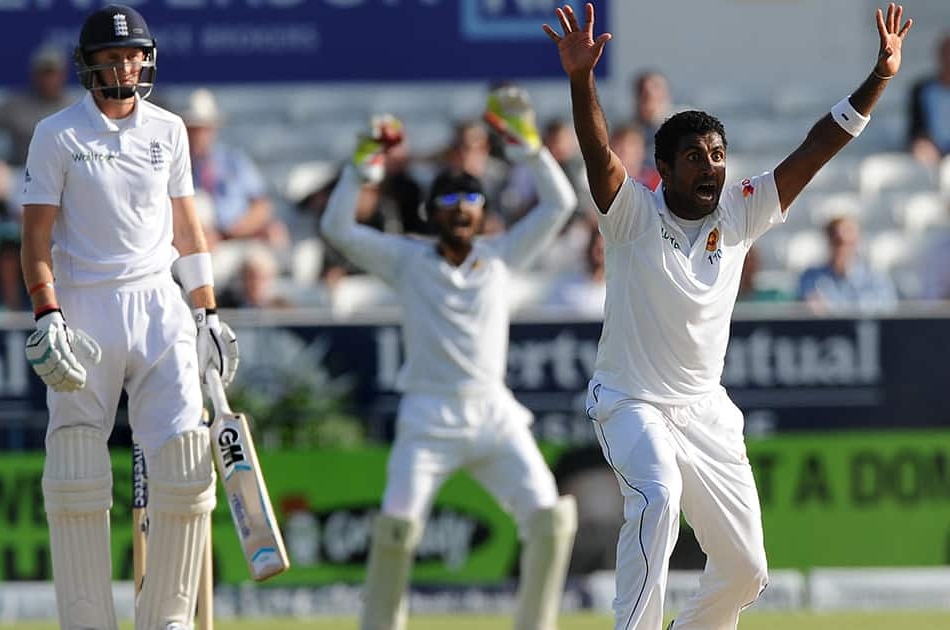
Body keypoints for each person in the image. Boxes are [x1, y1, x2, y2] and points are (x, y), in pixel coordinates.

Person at [544, 3, 913, 629]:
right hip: (631, 402)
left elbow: (817, 146)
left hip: (706, 410)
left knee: (745, 568)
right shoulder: (633, 215)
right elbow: (597, 150)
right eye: (695, 157)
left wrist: (880, 75)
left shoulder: (740, 213)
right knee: (657, 499)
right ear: (663, 169)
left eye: (717, 153)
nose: (711, 165)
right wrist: (581, 80)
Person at [321, 90, 579, 630]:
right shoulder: (408, 260)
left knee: (552, 522)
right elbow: (337, 229)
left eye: (470, 201)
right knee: (396, 532)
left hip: (493, 417)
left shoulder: (501, 256)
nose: (460, 209)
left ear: (483, 211)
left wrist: (530, 148)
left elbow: (561, 206)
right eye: (448, 202)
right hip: (428, 419)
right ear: (430, 213)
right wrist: (363, 163)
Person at [19, 6, 238, 629]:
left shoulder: (168, 130)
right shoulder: (57, 134)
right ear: (89, 64)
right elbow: (34, 238)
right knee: (76, 467)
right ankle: (87, 621)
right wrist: (48, 314)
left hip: (159, 304)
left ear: (146, 59)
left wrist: (208, 314)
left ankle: (166, 618)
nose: (124, 66)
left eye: (133, 55)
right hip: (85, 305)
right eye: (112, 57)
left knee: (187, 459)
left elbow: (188, 229)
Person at [182, 88, 288, 248]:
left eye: (203, 128)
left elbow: (262, 205)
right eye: (194, 129)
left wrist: (234, 231)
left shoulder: (234, 161)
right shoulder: (176, 167)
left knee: (262, 258)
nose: (199, 135)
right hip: (202, 243)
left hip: (239, 239)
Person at [0, 44, 75, 167]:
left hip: (67, 175)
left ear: (63, 75)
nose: (48, 80)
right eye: (43, 73)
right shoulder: (15, 105)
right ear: (34, 75)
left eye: (52, 73)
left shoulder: (75, 107)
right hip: (23, 174)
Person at [797, 216, 898, 313]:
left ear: (857, 241)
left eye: (848, 242)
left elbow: (886, 310)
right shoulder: (811, 277)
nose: (842, 248)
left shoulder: (877, 279)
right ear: (828, 241)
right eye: (837, 242)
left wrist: (830, 309)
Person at [907, 33, 950, 166]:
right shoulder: (922, 89)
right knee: (921, 151)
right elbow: (915, 126)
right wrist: (923, 140)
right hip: (931, 148)